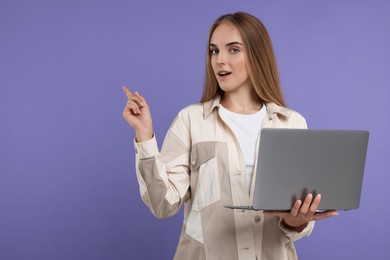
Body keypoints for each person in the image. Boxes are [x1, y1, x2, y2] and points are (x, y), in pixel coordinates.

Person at [122, 12, 338, 260]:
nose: (219, 60)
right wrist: (145, 136)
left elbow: (298, 226)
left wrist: (297, 221)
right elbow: (163, 204)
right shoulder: (191, 120)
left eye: (233, 50)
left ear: (257, 55)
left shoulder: (292, 123)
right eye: (214, 51)